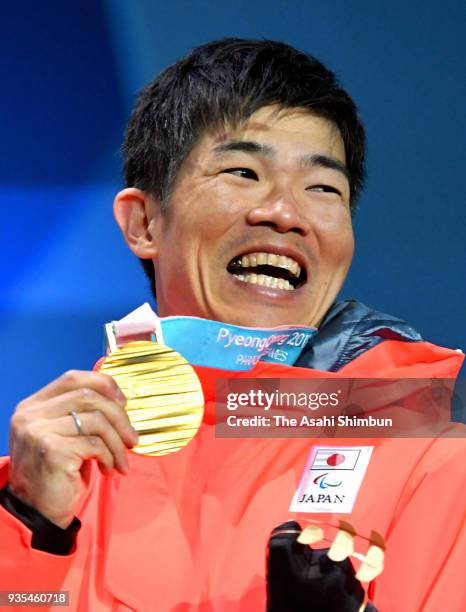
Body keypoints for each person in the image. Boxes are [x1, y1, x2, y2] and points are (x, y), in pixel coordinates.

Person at [0, 38, 464, 611]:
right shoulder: (50, 478)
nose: (285, 212)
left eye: (322, 188)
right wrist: (28, 530)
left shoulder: (438, 471)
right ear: (144, 222)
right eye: (244, 172)